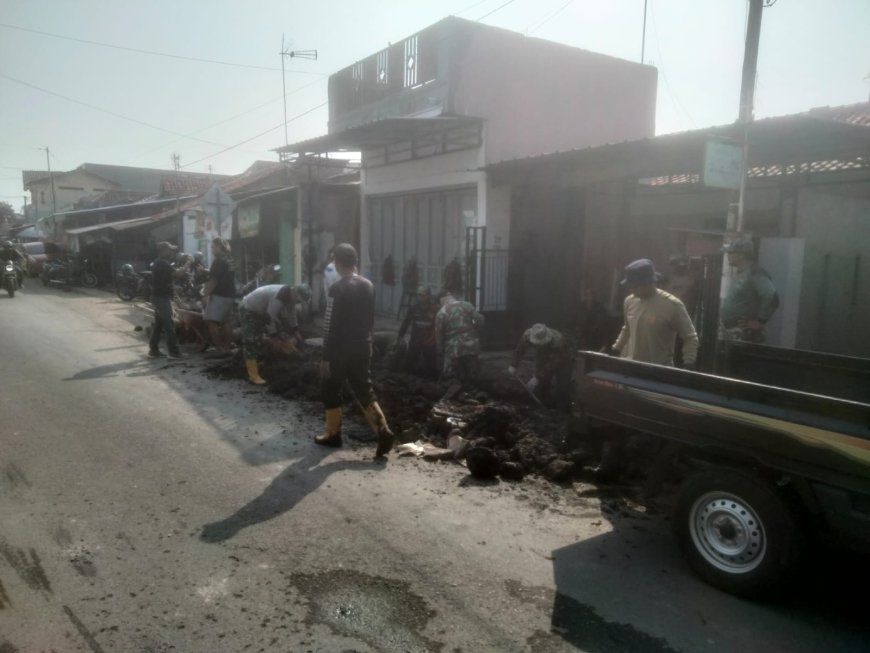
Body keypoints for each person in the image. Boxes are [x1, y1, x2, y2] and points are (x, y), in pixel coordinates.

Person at [317, 243, 394, 458]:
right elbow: (369, 319)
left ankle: (333, 434)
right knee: (363, 389)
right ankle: (383, 430)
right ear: (355, 261)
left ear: (339, 263)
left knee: (330, 388)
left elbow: (329, 324)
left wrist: (325, 357)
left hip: (340, 349)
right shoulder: (368, 285)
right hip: (363, 345)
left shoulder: (337, 288)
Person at [612, 258, 699, 369]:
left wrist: (688, 362)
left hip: (657, 372)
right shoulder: (629, 301)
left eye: (634, 286)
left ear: (648, 283)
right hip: (629, 367)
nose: (631, 290)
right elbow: (627, 329)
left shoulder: (672, 305)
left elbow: (690, 337)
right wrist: (616, 349)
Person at [239, 283, 311, 385]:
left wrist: (295, 330)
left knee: (263, 338)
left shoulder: (290, 296)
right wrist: (274, 336)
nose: (298, 302)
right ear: (294, 292)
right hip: (249, 309)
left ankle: (264, 361)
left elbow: (292, 314)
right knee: (250, 340)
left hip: (263, 312)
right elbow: (270, 318)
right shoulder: (279, 296)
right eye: (298, 300)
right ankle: (253, 375)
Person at [720, 237, 778, 343]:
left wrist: (760, 321)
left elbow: (772, 297)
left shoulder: (754, 272)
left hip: (744, 334)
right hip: (733, 332)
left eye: (731, 252)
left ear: (741, 255)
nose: (728, 255)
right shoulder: (740, 273)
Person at [507, 323, 572, 405]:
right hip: (543, 356)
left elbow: (554, 362)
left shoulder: (558, 340)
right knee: (542, 385)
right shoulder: (527, 335)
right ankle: (544, 404)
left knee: (563, 387)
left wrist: (538, 376)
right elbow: (520, 349)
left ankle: (563, 410)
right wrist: (514, 364)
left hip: (563, 359)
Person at [148, 241, 189, 360]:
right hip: (161, 298)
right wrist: (188, 263)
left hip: (158, 296)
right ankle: (174, 352)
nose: (172, 252)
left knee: (159, 324)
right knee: (169, 324)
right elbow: (178, 274)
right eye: (170, 250)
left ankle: (154, 350)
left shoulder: (161, 262)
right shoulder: (162, 263)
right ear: (163, 251)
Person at [435, 291, 484, 388]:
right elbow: (480, 321)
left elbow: (439, 335)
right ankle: (475, 394)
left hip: (454, 350)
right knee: (473, 376)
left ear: (440, 301)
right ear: (451, 296)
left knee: (458, 378)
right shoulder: (467, 305)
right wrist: (474, 332)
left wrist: (441, 351)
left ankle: (461, 396)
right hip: (471, 346)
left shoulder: (441, 313)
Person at [202, 238, 236, 353]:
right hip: (230, 294)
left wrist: (205, 295)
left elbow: (214, 280)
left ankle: (219, 348)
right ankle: (227, 347)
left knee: (211, 321)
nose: (211, 250)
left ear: (218, 246)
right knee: (227, 322)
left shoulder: (218, 261)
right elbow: (224, 275)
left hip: (219, 295)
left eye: (212, 247)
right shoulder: (230, 259)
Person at [397, 286, 439, 378]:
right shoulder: (413, 308)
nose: (420, 297)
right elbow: (406, 322)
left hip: (429, 341)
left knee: (432, 367)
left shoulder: (435, 309)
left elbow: (440, 326)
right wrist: (400, 336)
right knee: (409, 364)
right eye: (418, 295)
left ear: (428, 296)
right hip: (416, 340)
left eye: (422, 295)